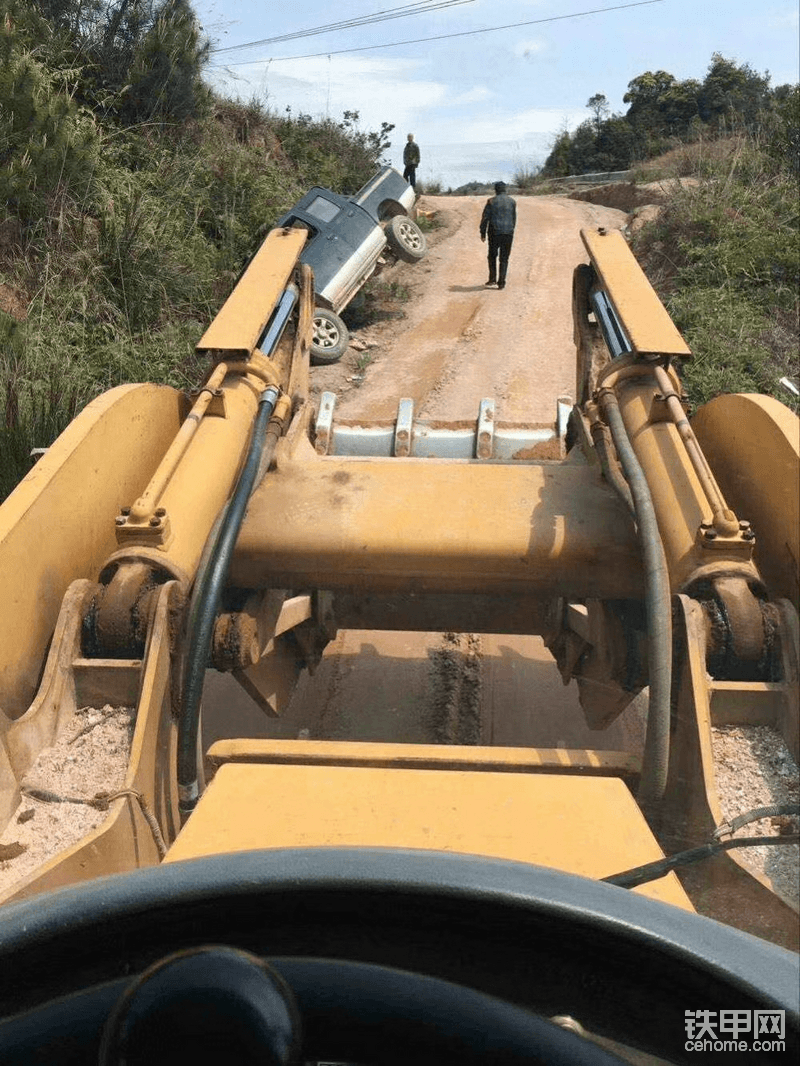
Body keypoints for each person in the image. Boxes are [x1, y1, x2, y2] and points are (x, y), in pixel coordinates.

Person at [480, 181, 517, 289]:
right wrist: (511, 230)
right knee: (504, 258)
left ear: (495, 190)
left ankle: (492, 279)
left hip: (494, 232)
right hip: (508, 233)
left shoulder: (491, 201)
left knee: (492, 256)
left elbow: (485, 218)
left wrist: (482, 232)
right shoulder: (512, 201)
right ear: (505, 189)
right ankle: (501, 283)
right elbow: (514, 218)